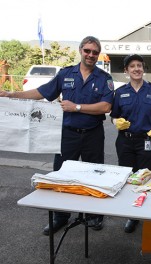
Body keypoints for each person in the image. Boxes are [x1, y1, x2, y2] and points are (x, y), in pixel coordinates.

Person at [0, 36, 114, 234]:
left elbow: (105, 106)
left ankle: (94, 216)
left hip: (93, 135)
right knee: (61, 175)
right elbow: (42, 92)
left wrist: (76, 107)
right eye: (87, 51)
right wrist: (12, 95)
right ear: (80, 50)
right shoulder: (66, 74)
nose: (91, 55)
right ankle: (60, 217)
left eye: (95, 52)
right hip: (67, 135)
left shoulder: (105, 78)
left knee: (95, 176)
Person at [110, 54, 151, 233]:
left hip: (146, 140)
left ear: (143, 69)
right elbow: (114, 116)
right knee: (129, 178)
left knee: (150, 178)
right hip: (125, 141)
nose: (136, 69)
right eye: (132, 66)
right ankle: (132, 215)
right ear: (126, 70)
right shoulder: (120, 93)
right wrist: (116, 122)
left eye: (139, 66)